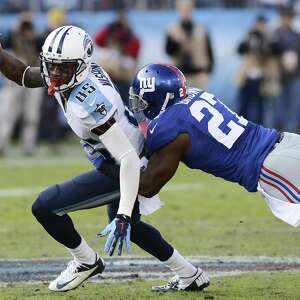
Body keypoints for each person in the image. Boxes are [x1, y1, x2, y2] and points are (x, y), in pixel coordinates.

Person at [0, 26, 209, 293]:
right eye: (51, 66)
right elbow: (25, 75)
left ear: (81, 65)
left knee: (45, 207)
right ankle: (190, 274)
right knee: (132, 227)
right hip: (123, 156)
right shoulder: (68, 70)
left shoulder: (88, 104)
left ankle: (86, 261)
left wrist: (122, 213)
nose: (54, 74)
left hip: (126, 166)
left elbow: (127, 159)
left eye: (62, 68)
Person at [0, 12, 43, 156]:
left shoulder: (37, 37)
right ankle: (2, 144)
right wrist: (16, 30)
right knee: (7, 112)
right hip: (14, 77)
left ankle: (28, 146)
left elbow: (42, 51)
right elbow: (3, 48)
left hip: (34, 76)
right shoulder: (11, 36)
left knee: (31, 115)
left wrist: (33, 37)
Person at [165, 0, 214, 89]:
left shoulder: (201, 29)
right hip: (180, 77)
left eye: (188, 7)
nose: (185, 10)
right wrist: (179, 43)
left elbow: (209, 52)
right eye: (183, 7)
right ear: (178, 9)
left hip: (199, 75)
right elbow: (168, 51)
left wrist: (207, 72)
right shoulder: (173, 29)